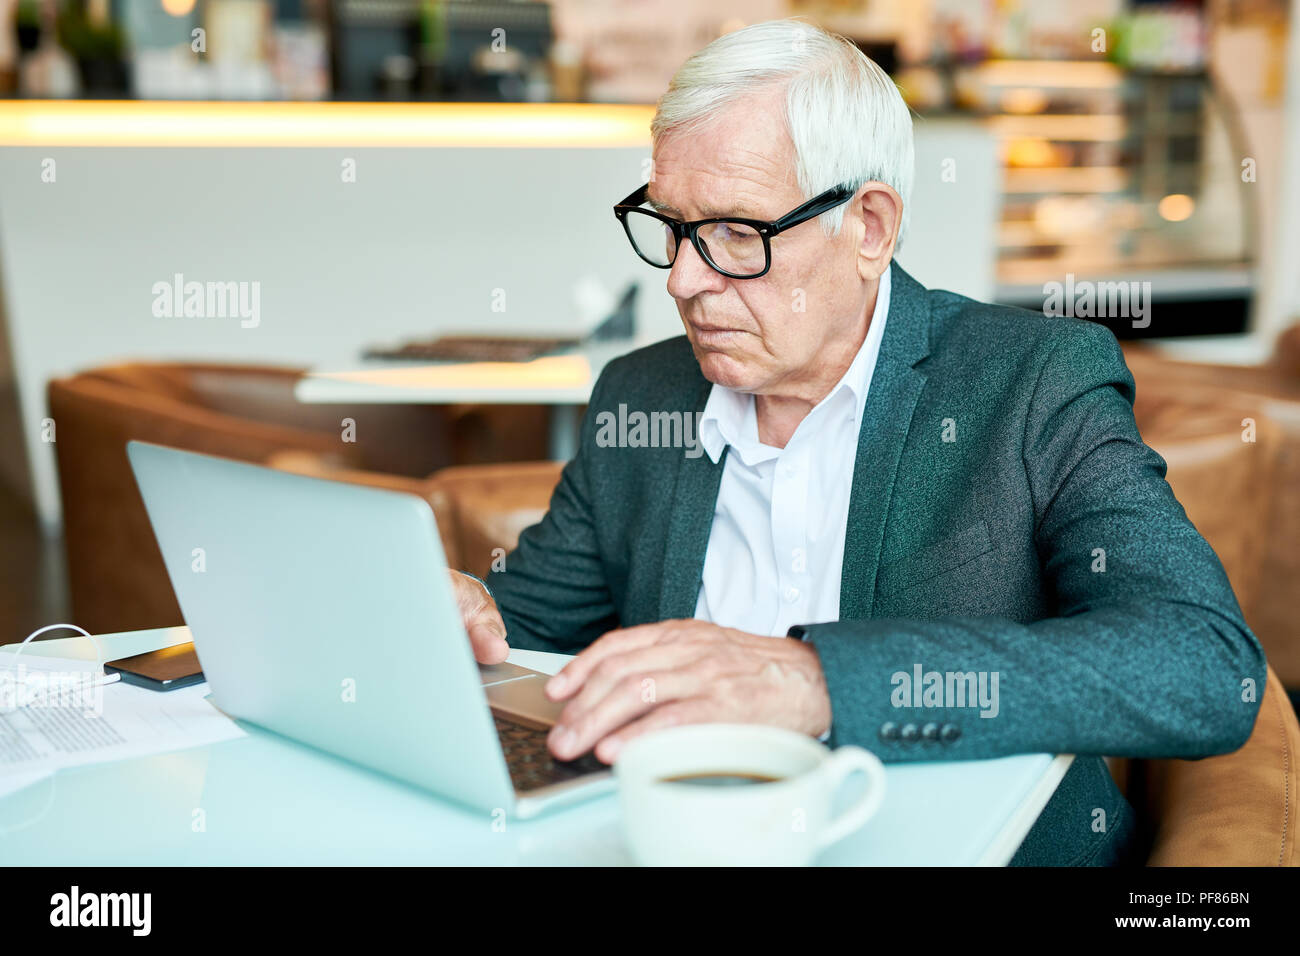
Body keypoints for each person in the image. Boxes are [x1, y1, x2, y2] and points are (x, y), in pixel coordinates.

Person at [447, 19, 1264, 866]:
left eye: (736, 233)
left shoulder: (1031, 380)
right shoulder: (641, 394)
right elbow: (531, 620)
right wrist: (461, 610)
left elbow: (1202, 664)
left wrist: (816, 680)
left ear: (869, 227)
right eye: (673, 225)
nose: (684, 279)